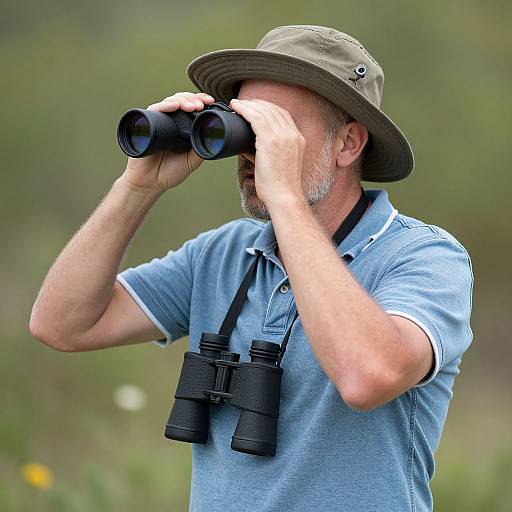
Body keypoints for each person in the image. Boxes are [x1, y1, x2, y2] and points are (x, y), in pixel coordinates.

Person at [29, 25, 474, 512]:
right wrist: (138, 187)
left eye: (276, 129)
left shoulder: (425, 257)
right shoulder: (224, 254)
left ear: (348, 144)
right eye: (244, 124)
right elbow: (62, 325)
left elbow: (368, 377)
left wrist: (285, 195)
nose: (252, 149)